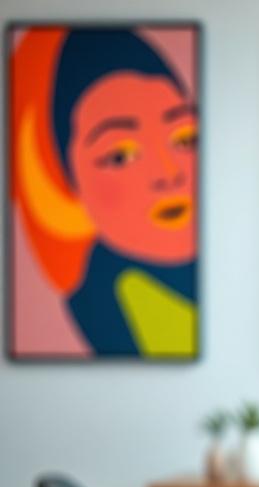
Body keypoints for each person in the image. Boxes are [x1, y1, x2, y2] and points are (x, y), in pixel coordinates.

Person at [11, 28, 197, 358]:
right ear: (68, 181)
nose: (169, 175)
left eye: (184, 140)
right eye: (120, 156)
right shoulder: (111, 299)